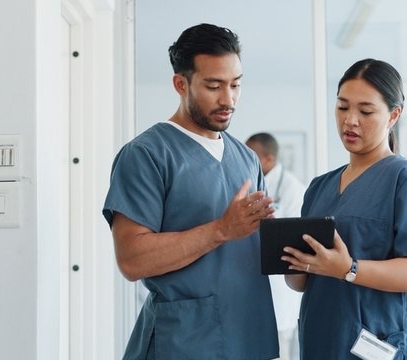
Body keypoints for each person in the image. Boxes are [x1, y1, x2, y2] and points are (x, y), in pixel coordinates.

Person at [102, 23, 279, 359]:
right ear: (180, 84)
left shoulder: (246, 158)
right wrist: (220, 230)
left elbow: (255, 245)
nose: (228, 99)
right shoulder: (146, 155)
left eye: (235, 85)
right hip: (186, 342)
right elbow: (131, 259)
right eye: (213, 86)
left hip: (249, 335)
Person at [283, 58, 407, 359]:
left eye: (365, 111)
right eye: (342, 107)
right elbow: (301, 282)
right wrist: (291, 259)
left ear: (393, 115)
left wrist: (349, 269)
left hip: (376, 347)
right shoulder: (319, 187)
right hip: (321, 342)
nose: (350, 120)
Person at [246, 133, 306, 360]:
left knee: (279, 352)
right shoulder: (251, 182)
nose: (247, 160)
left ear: (269, 159)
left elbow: (291, 237)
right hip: (252, 282)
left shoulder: (292, 189)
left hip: (280, 289)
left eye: (253, 156)